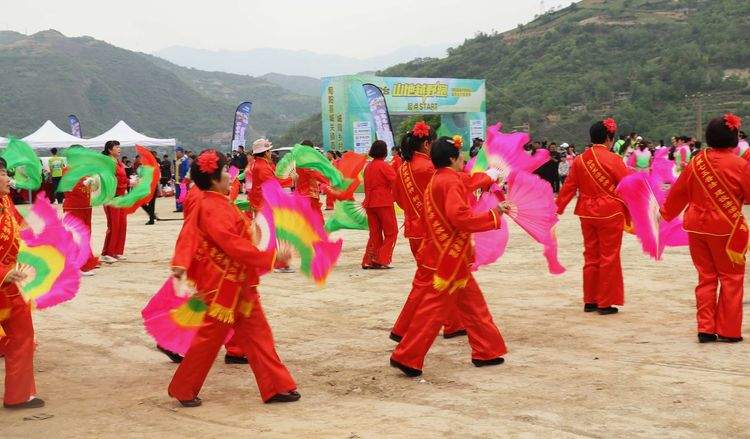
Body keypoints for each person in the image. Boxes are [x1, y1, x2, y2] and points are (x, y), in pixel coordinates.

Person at [167, 149, 299, 406]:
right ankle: (183, 388)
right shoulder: (211, 206)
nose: (230, 176)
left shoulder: (213, 201)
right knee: (209, 340)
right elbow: (233, 246)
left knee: (259, 334)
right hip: (223, 288)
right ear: (215, 179)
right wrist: (273, 257)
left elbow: (190, 234)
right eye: (225, 172)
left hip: (238, 283)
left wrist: (181, 263)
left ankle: (277, 386)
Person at [389, 137, 508, 377]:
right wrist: (493, 215)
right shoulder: (450, 182)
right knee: (434, 310)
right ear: (452, 158)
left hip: (443, 252)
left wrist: (490, 175)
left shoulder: (438, 178)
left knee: (473, 304)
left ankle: (487, 351)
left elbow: (468, 183)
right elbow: (460, 217)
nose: (464, 159)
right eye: (461, 155)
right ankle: (407, 356)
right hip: (449, 258)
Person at [661, 114, 749, 343]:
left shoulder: (696, 162)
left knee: (706, 277)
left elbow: (678, 193)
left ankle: (706, 328)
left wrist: (665, 214)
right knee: (731, 278)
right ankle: (729, 330)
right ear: (733, 139)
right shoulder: (741, 165)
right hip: (726, 229)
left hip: (696, 227)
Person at [391, 122, 466, 341]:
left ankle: (452, 324)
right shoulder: (427, 168)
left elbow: (399, 199)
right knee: (430, 282)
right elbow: (450, 187)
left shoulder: (403, 166)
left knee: (439, 279)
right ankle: (403, 329)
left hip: (416, 229)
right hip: (431, 233)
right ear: (426, 144)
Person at [556, 118, 629, 315]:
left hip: (586, 213)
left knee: (591, 255)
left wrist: (557, 209)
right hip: (610, 213)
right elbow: (628, 187)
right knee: (609, 256)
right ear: (608, 138)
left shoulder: (580, 160)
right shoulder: (614, 160)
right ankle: (605, 302)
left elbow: (568, 188)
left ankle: (590, 300)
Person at [0, 159, 43, 410]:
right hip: (4, 277)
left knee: (21, 336)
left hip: (9, 282)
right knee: (20, 336)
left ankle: (18, 394)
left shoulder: (5, 200)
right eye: (4, 174)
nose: (8, 179)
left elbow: (18, 222)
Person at [248, 139, 295, 274]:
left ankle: (267, 261)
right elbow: (273, 185)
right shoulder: (262, 167)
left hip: (260, 203)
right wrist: (291, 180)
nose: (270, 153)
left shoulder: (259, 165)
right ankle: (279, 263)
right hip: (265, 204)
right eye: (269, 150)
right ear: (265, 152)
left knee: (266, 234)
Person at [61, 147, 100, 275]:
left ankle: (86, 261)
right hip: (74, 207)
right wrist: (85, 183)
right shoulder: (67, 170)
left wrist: (95, 182)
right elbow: (68, 187)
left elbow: (93, 188)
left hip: (86, 206)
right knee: (76, 236)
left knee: (86, 235)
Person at [362, 140, 398, 269]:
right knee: (391, 232)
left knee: (375, 233)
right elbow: (396, 181)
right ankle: (382, 259)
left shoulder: (368, 167)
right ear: (384, 151)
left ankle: (369, 259)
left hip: (369, 202)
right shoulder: (384, 166)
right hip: (383, 201)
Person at [100, 141, 129, 263]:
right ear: (109, 150)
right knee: (113, 225)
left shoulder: (119, 162)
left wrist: (129, 182)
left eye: (119, 147)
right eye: (116, 147)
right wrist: (127, 183)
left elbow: (122, 177)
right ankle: (107, 253)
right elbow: (109, 180)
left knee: (122, 224)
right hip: (111, 197)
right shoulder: (107, 163)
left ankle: (117, 251)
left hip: (121, 197)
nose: (119, 149)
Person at [295, 140, 330, 222]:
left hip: (305, 191)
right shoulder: (304, 161)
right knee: (314, 217)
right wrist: (328, 180)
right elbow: (314, 173)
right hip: (308, 193)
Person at [174, 147, 190, 213]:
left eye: (178, 152)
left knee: (182, 194)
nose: (177, 153)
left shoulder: (185, 160)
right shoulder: (178, 159)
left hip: (182, 180)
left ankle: (182, 207)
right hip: (177, 179)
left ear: (182, 152)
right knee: (177, 194)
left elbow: (185, 170)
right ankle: (178, 207)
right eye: (176, 152)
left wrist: (183, 178)